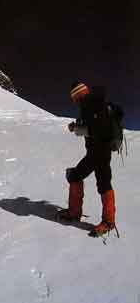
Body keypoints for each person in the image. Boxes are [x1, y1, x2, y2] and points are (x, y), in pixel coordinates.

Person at [58, 81, 117, 237]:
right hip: (96, 153)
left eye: (74, 98)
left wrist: (78, 129)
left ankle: (107, 221)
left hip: (100, 153)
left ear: (78, 96)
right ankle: (78, 213)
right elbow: (92, 125)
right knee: (93, 180)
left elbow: (98, 130)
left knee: (95, 181)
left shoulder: (93, 105)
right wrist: (77, 126)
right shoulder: (92, 105)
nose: (75, 102)